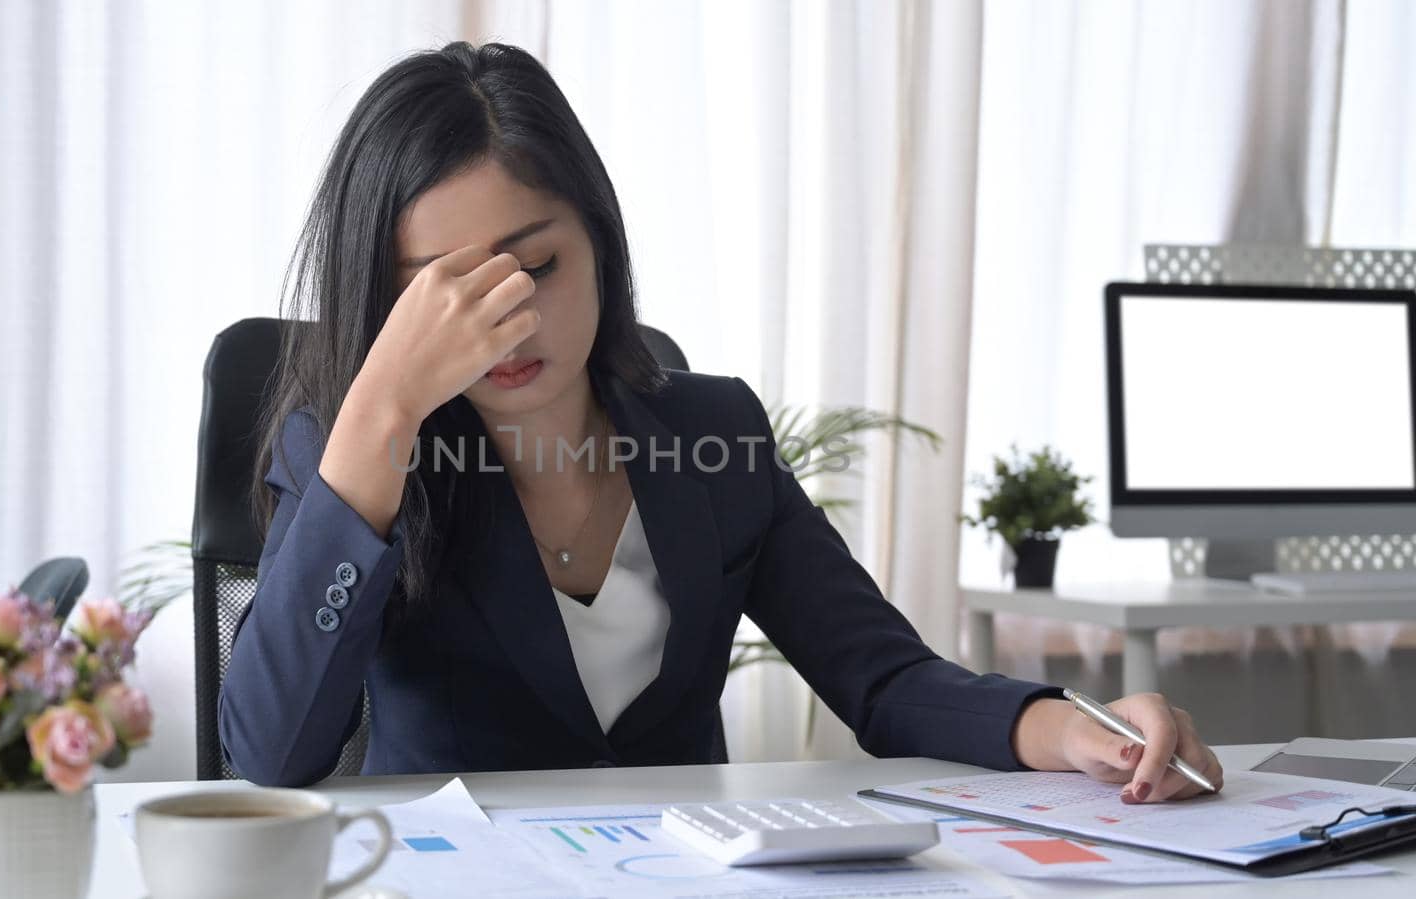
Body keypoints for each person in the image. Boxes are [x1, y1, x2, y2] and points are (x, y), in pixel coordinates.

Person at [218, 41, 1224, 802]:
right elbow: (268, 756)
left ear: (599, 244)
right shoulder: (354, 450)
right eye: (448, 292)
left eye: (536, 265)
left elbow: (882, 676)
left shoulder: (715, 433)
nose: (507, 320)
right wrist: (383, 404)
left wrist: (1072, 726)